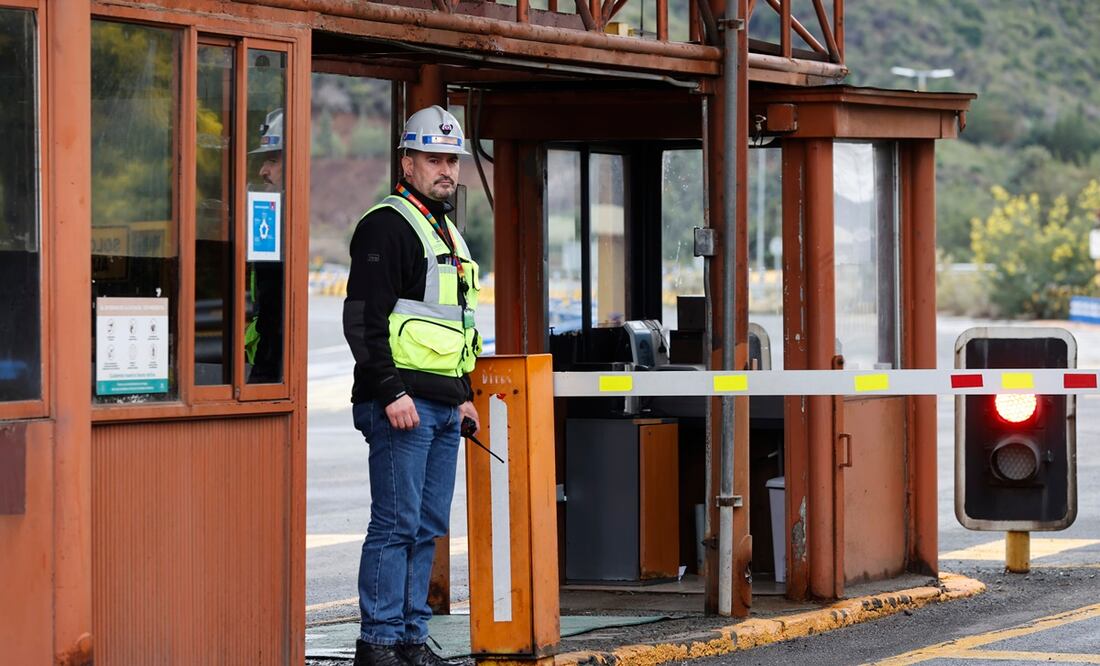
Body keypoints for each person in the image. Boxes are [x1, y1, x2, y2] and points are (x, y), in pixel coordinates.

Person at [343, 105, 482, 666]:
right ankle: (378, 641)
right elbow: (363, 322)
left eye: (452, 159)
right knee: (396, 524)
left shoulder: (444, 229)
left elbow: (456, 322)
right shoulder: (386, 225)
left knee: (426, 527)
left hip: (443, 404)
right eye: (434, 158)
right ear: (408, 162)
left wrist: (465, 393)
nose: (446, 169)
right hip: (400, 403)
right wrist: (391, 392)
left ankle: (408, 636)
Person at [246, 108, 285, 383]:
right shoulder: (270, 217)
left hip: (277, 363)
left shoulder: (291, 225)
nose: (263, 171)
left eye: (272, 160)